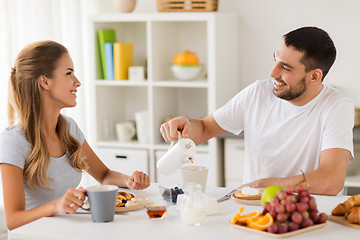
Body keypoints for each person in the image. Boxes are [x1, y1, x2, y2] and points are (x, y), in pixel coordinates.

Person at [160, 26, 354, 196]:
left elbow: (331, 182)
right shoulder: (257, 93)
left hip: (308, 213)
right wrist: (186, 123)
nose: (273, 73)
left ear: (314, 77)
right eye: (275, 60)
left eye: (285, 67)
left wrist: (268, 185)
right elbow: (204, 128)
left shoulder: (336, 105)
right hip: (256, 208)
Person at [0, 40, 150, 230]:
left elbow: (104, 175)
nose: (77, 82)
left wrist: (128, 180)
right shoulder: (14, 140)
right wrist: (57, 205)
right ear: (45, 81)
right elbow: (13, 220)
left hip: (69, 232)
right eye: (69, 73)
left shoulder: (68, 128)